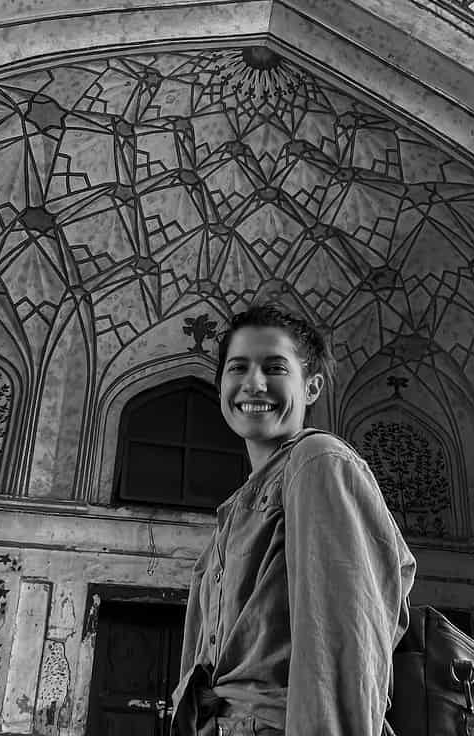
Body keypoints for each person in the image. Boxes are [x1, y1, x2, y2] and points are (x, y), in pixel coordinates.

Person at [171, 303, 417, 736]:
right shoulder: (237, 507)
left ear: (312, 387)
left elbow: (345, 649)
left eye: (275, 367)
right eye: (238, 367)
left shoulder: (317, 462)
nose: (254, 383)